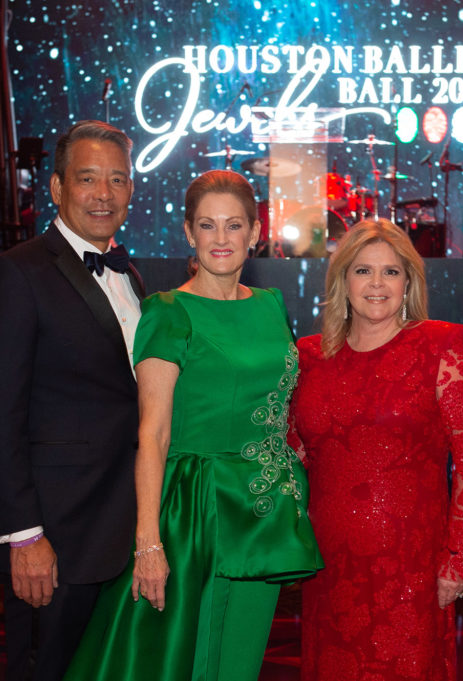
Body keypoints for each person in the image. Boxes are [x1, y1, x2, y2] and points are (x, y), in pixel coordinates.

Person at [64, 169, 322, 681]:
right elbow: (153, 434)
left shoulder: (271, 307)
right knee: (192, 662)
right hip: (195, 511)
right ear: (189, 233)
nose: (221, 239)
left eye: (233, 225)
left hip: (261, 511)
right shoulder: (168, 311)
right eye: (207, 225)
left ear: (254, 231)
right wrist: (148, 541)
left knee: (240, 662)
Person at [0, 120, 144, 681]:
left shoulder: (130, 274)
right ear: (58, 188)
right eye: (88, 179)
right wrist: (24, 535)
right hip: (56, 536)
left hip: (124, 530)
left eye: (117, 179)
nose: (104, 194)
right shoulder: (14, 274)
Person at [290, 219, 463, 681]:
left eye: (391, 272)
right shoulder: (308, 355)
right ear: (342, 280)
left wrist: (459, 559)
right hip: (329, 567)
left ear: (409, 282)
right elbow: (295, 451)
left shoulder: (443, 344)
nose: (377, 284)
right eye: (362, 271)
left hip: (412, 569)